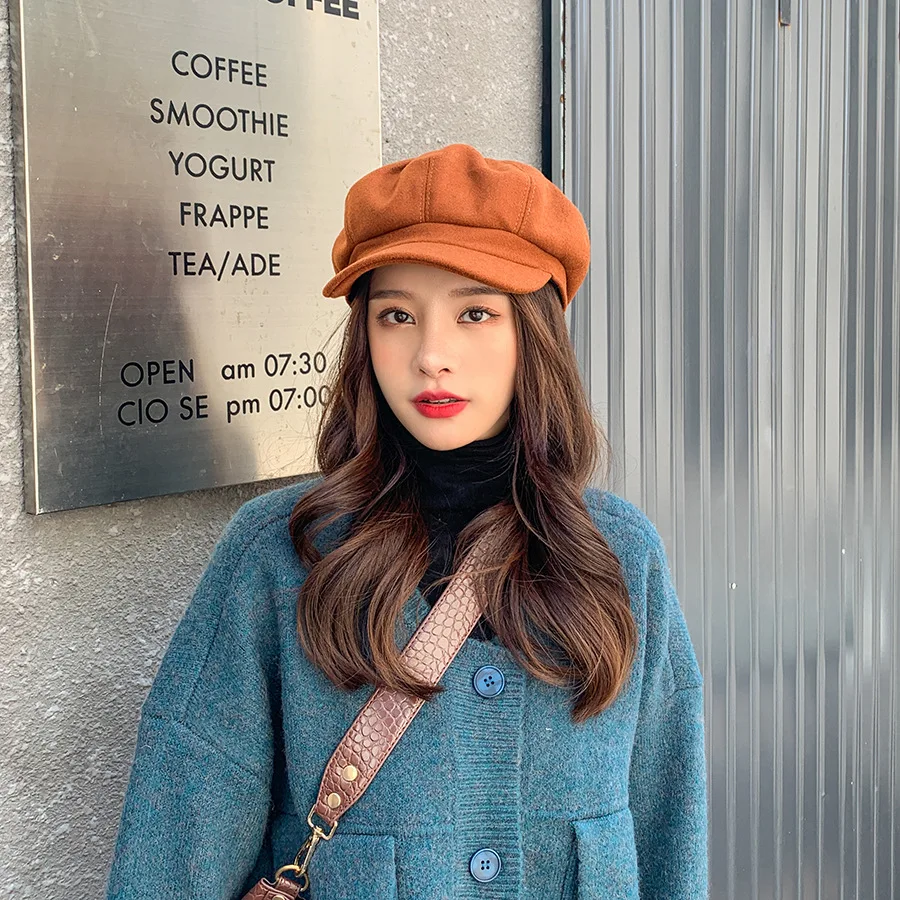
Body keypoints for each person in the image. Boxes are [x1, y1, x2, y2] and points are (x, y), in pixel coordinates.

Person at [105, 143, 707, 899]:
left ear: (535, 333)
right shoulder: (281, 555)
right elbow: (173, 849)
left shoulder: (617, 556)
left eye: (475, 312)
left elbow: (669, 827)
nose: (431, 355)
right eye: (396, 315)